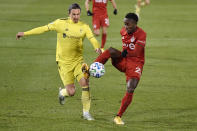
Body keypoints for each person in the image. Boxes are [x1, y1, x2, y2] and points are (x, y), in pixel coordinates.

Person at [16, 3, 102, 121]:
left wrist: (96, 47)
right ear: (69, 14)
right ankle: (62, 92)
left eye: (78, 14)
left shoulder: (84, 26)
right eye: (73, 14)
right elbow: (43, 28)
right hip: (63, 63)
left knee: (85, 84)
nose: (76, 17)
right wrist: (25, 33)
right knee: (71, 92)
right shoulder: (60, 23)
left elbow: (92, 38)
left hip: (78, 61)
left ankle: (86, 113)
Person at [85, 13, 146, 124]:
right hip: (123, 61)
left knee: (131, 87)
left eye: (128, 24)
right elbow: (123, 51)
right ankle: (90, 70)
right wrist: (122, 54)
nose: (126, 27)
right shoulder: (123, 31)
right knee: (111, 50)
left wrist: (125, 53)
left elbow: (137, 52)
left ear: (135, 24)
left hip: (135, 64)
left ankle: (118, 117)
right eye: (125, 24)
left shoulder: (141, 34)